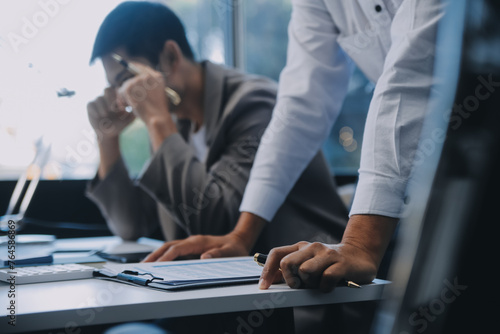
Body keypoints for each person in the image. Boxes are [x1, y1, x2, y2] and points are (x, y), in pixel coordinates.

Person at [149, 0, 445, 293]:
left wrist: (360, 244)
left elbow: (410, 78)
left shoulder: (246, 101)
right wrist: (242, 235)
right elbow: (302, 105)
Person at [86, 1, 349, 258]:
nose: (123, 99)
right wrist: (106, 139)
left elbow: (220, 227)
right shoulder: (177, 125)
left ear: (169, 57)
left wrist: (158, 122)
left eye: (126, 81)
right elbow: (130, 226)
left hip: (310, 288)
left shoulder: (256, 104)